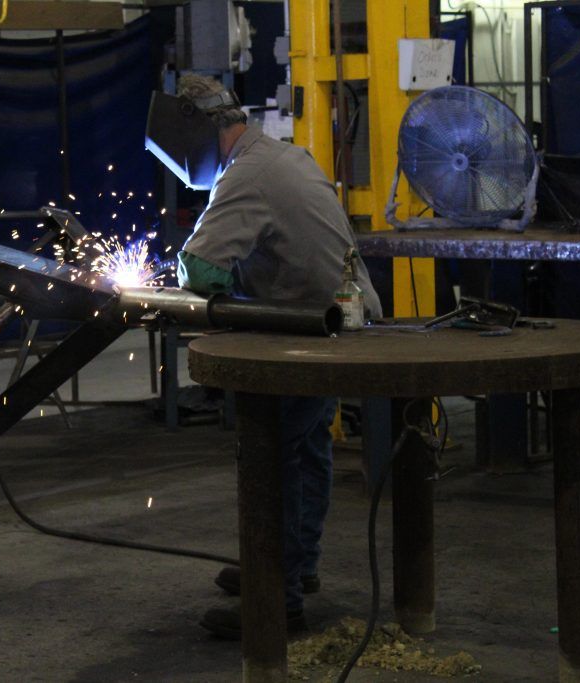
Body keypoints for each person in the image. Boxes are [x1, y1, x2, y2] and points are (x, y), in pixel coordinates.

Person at [145, 74, 382, 639]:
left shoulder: (246, 174)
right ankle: (299, 568)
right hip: (339, 322)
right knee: (307, 446)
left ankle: (278, 598)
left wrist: (175, 282)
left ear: (196, 130)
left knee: (272, 449)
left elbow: (199, 269)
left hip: (312, 330)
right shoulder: (281, 156)